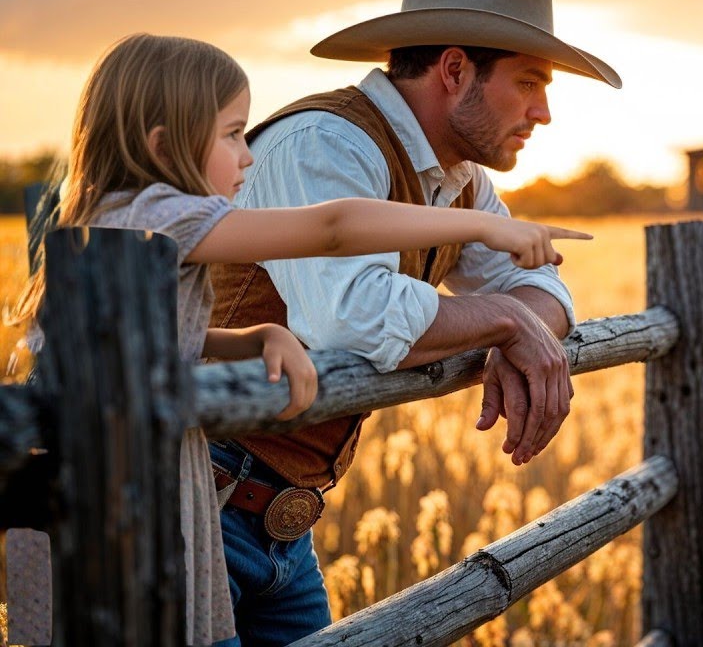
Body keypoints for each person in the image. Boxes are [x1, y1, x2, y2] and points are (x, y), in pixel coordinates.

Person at [7, 32, 588, 645]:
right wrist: (484, 230)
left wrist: (249, 338)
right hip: (137, 507)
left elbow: (135, 344)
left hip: (145, 495)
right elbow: (334, 227)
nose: (250, 155)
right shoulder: (166, 212)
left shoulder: (124, 216)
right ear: (162, 145)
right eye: (232, 134)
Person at [205, 0, 620, 644]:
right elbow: (349, 317)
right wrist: (505, 320)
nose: (544, 113)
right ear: (455, 70)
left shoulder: (459, 178)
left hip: (279, 518)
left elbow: (543, 286)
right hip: (193, 497)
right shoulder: (325, 143)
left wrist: (522, 324)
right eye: (530, 83)